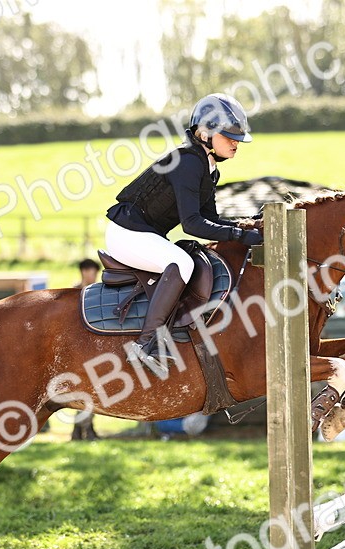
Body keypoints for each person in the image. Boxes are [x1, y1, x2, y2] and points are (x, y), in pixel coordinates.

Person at [103, 92, 264, 375]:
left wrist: (247, 225)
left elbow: (211, 219)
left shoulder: (207, 167)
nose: (236, 143)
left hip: (142, 232)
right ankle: (145, 344)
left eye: (237, 137)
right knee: (182, 263)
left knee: (184, 259)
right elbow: (192, 224)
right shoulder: (188, 162)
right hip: (126, 232)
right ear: (204, 134)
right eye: (228, 136)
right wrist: (239, 237)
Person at [71, 258, 101, 441]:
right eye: (90, 271)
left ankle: (84, 430)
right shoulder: (74, 293)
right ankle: (83, 431)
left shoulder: (98, 291)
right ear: (83, 272)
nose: (92, 275)